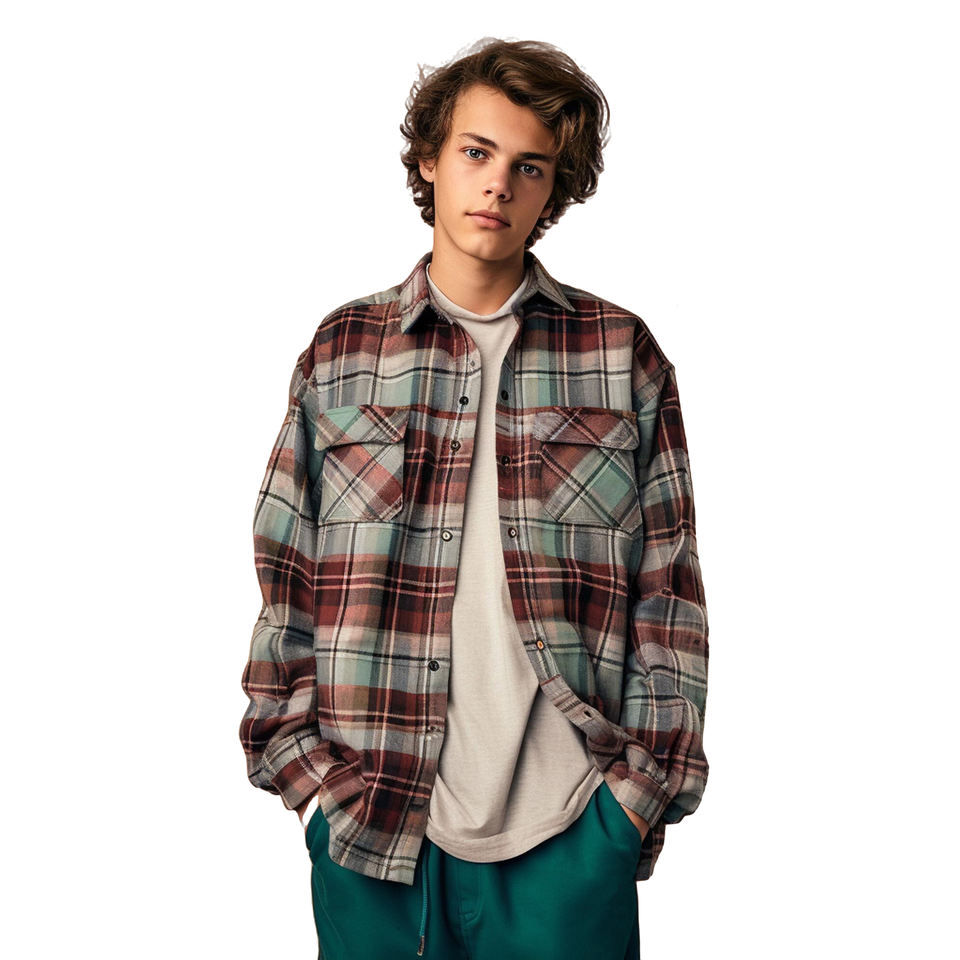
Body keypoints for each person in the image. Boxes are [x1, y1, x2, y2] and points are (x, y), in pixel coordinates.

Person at [239, 37, 710, 960]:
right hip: (371, 821)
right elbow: (283, 574)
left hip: (570, 831)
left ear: (554, 189)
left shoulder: (621, 355)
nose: (497, 184)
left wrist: (634, 801)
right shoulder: (342, 352)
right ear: (430, 158)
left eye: (529, 166)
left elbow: (670, 590)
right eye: (476, 152)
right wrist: (310, 787)